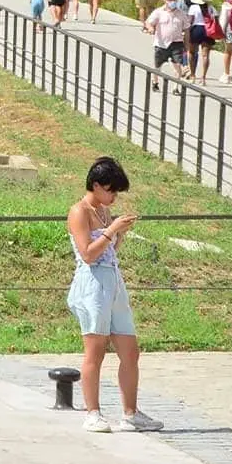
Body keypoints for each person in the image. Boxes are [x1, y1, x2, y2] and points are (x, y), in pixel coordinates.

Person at [67, 156, 159, 433]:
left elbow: (107, 253)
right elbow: (88, 254)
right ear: (96, 185)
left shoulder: (105, 212)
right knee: (95, 351)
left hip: (112, 279)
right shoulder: (79, 211)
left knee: (130, 351)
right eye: (111, 190)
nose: (114, 196)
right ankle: (92, 411)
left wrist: (120, 234)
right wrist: (112, 230)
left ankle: (131, 413)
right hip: (92, 283)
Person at [144, 0, 188, 89]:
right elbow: (148, 22)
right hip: (161, 43)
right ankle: (155, 82)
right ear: (165, 0)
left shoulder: (181, 14)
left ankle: (176, 86)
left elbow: (186, 28)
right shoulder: (159, 12)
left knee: (177, 65)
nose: (173, 2)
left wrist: (187, 44)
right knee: (157, 66)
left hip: (176, 43)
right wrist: (151, 28)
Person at [187, 0, 218, 86]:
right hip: (208, 30)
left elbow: (190, 20)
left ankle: (192, 75)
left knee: (192, 52)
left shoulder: (193, 8)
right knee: (205, 55)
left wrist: (186, 31)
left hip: (196, 29)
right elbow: (216, 21)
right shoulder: (212, 8)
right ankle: (203, 78)